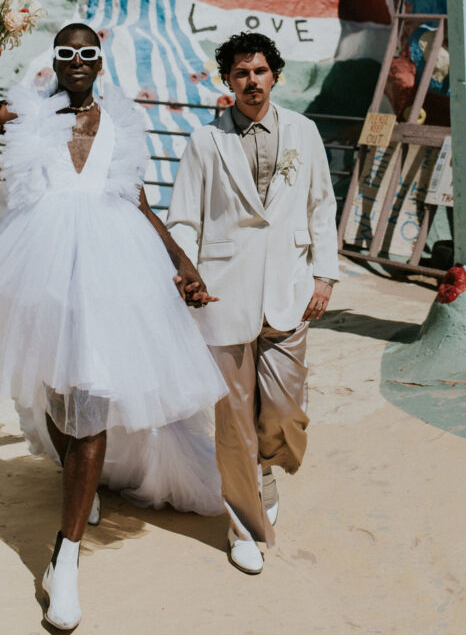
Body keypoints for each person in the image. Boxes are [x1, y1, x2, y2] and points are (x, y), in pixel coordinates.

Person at [0, 24, 227, 631]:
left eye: (88, 54)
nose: (78, 61)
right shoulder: (23, 112)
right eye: (67, 53)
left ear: (100, 62)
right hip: (42, 269)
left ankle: (68, 554)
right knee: (57, 401)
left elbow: (134, 199)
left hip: (114, 271)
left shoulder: (119, 122)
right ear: (54, 60)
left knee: (91, 401)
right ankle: (79, 491)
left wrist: (182, 263)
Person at [167, 31, 339, 575]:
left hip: (288, 290)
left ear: (274, 75)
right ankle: (243, 524)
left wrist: (324, 276)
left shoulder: (304, 133)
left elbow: (321, 207)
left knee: (285, 410)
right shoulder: (205, 142)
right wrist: (186, 274)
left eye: (260, 71)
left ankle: (264, 469)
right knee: (233, 421)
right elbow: (185, 217)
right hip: (223, 294)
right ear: (227, 81)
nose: (251, 82)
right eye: (240, 73)